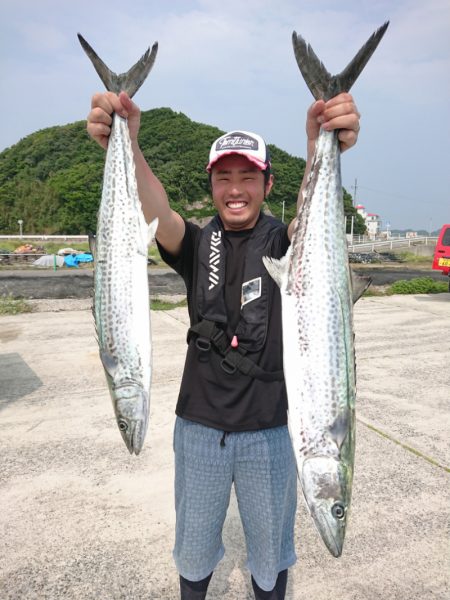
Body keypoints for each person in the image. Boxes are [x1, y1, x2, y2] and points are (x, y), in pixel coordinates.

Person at [87, 90, 360, 599]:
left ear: (267, 183)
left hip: (274, 434)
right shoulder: (195, 242)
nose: (236, 189)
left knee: (270, 559)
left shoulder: (284, 243)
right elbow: (158, 212)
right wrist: (127, 143)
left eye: (248, 177)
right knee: (192, 553)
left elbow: (314, 230)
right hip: (198, 428)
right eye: (224, 177)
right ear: (212, 184)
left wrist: (320, 142)